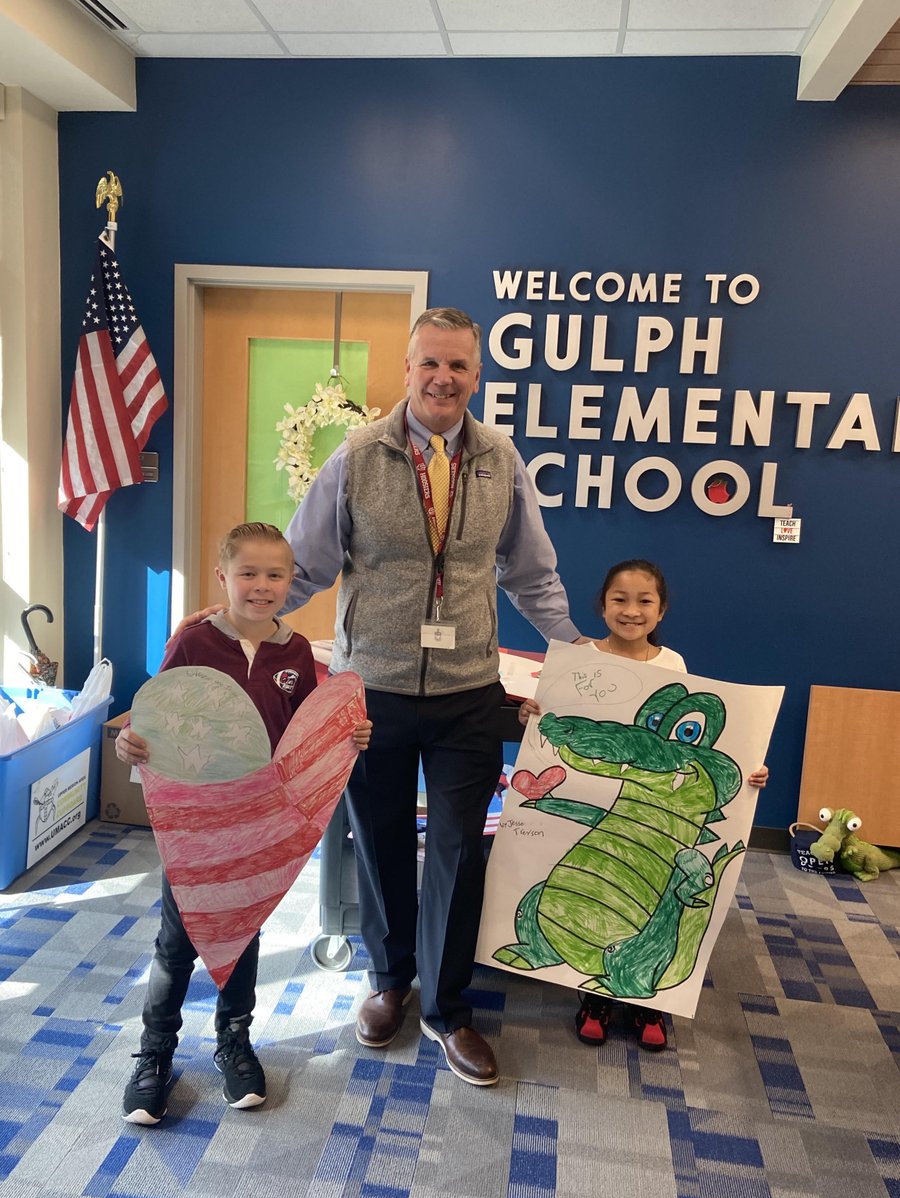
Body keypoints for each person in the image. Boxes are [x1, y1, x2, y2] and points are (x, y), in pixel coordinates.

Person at [281, 306, 581, 1086]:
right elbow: (303, 566)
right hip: (371, 689)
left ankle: (449, 1010)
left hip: (468, 690)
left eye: (459, 366)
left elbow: (530, 572)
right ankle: (388, 983)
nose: (444, 379)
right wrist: (242, 617)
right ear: (407, 372)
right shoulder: (356, 457)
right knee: (379, 843)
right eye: (430, 365)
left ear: (476, 376)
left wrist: (579, 655)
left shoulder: (500, 459)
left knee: (457, 849)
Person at [114, 522, 372, 1123]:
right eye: (248, 573)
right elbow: (159, 718)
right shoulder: (194, 643)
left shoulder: (297, 653)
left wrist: (347, 734)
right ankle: (154, 1053)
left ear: (291, 581)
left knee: (243, 929)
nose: (262, 586)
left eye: (275, 575)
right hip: (197, 818)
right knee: (178, 942)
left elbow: (302, 735)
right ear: (222, 576)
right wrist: (133, 744)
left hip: (259, 821)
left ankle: (234, 1040)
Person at [519, 558, 768, 1053]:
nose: (631, 611)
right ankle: (593, 999)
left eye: (644, 601)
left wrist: (749, 769)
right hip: (610, 812)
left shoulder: (672, 666)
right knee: (590, 888)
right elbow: (562, 716)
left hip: (659, 826)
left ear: (661, 611)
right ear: (602, 605)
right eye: (620, 599)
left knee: (655, 896)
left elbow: (703, 743)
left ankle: (650, 1002)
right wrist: (533, 712)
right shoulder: (577, 657)